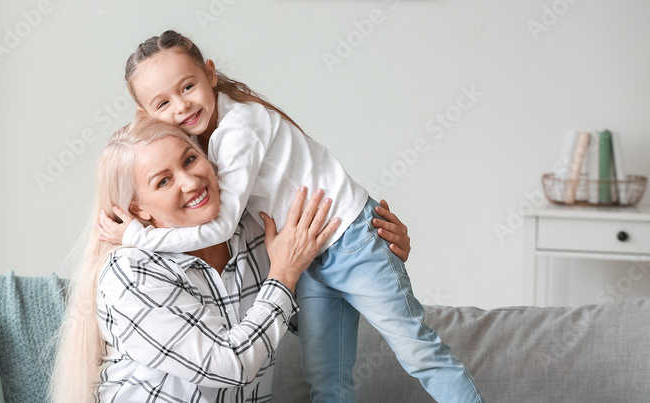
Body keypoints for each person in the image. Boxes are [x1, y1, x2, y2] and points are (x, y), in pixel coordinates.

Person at [98, 30, 483, 402]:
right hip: (309, 257)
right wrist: (287, 270)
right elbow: (276, 311)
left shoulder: (239, 132)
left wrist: (137, 236)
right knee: (326, 382)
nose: (181, 106)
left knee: (419, 352)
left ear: (210, 74)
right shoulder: (143, 264)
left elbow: (225, 227)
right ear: (145, 114)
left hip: (349, 240)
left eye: (187, 87)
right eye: (163, 103)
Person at [50, 118, 412, 403]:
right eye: (163, 181)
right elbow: (227, 365)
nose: (190, 181)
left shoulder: (255, 232)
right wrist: (283, 275)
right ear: (138, 209)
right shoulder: (132, 272)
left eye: (190, 159)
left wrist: (375, 254)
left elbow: (318, 317)